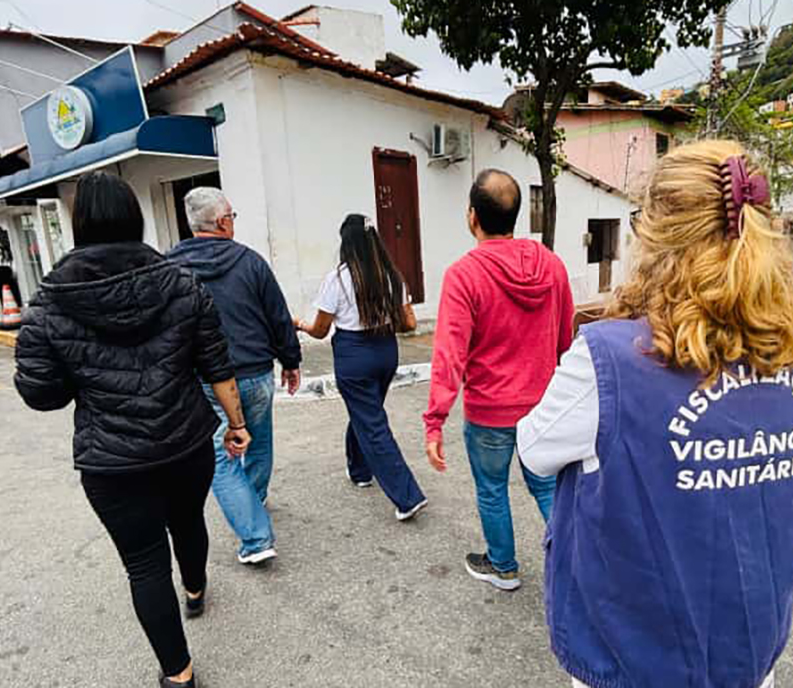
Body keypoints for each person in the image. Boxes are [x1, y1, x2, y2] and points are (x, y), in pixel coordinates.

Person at [518, 141, 793, 688]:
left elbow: (535, 449)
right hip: (753, 649)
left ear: (655, 237)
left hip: (632, 651)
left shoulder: (608, 358)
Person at [15, 172, 250, 688]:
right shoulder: (181, 282)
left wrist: (81, 377)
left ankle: (179, 675)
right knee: (188, 520)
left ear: (79, 226)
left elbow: (41, 393)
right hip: (186, 442)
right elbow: (216, 363)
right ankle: (195, 589)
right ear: (134, 218)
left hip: (111, 462)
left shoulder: (51, 302)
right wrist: (236, 425)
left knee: (143, 566)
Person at [424, 168, 574, 591]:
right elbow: (566, 339)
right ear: (516, 215)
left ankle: (504, 566)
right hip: (543, 406)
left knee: (492, 489)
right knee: (547, 489)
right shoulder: (553, 266)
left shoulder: (464, 275)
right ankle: (580, 566)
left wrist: (434, 421)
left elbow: (449, 354)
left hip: (489, 412)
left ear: (472, 216)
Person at [168, 187, 302, 566]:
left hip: (202, 380)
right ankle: (253, 503)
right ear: (223, 221)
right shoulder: (251, 262)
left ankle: (255, 535)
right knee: (258, 442)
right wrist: (290, 360)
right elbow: (278, 315)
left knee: (219, 458)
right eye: (233, 216)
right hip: (255, 373)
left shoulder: (169, 267)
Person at [295, 213, 428, 520]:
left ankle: (407, 496)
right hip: (385, 352)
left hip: (354, 355)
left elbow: (320, 329)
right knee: (366, 413)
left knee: (372, 422)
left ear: (346, 243)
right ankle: (359, 470)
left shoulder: (338, 278)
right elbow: (408, 323)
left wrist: (299, 324)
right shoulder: (392, 275)